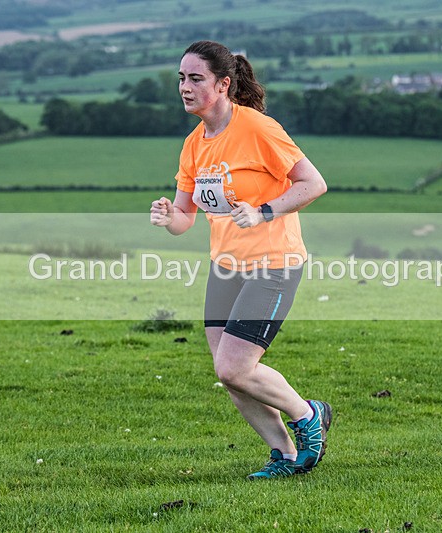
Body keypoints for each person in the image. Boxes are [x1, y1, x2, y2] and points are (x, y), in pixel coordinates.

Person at [149, 40, 331, 480]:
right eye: (181, 78)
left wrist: (264, 211)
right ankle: (284, 455)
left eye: (196, 78)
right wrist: (169, 217)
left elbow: (314, 183)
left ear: (223, 84)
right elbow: (185, 218)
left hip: (274, 262)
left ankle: (309, 415)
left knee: (235, 366)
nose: (185, 87)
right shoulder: (193, 145)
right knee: (229, 373)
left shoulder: (257, 128)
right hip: (225, 266)